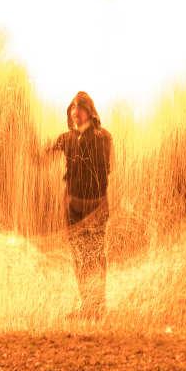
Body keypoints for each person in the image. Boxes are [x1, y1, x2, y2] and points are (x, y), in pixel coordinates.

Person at [48, 91, 113, 319]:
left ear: (90, 111)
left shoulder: (102, 137)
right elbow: (44, 153)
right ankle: (86, 304)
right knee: (78, 256)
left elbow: (106, 169)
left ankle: (99, 305)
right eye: (73, 108)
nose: (76, 112)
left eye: (80, 107)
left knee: (95, 254)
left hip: (95, 206)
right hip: (73, 207)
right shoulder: (66, 139)